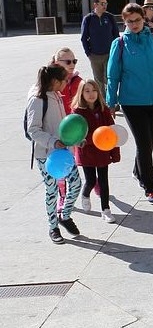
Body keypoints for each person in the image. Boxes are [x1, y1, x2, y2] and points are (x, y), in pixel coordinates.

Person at [106, 3, 153, 206]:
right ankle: (151, 188)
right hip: (132, 102)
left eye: (137, 20)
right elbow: (112, 75)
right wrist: (111, 101)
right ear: (124, 22)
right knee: (144, 144)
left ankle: (138, 170)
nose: (134, 24)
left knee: (149, 142)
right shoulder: (119, 44)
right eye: (129, 21)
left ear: (143, 18)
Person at [26, 64, 81, 244]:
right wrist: (52, 142)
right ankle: (53, 227)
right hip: (46, 155)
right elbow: (33, 130)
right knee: (51, 190)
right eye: (65, 80)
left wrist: (75, 139)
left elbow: (63, 127)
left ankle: (64, 216)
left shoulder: (57, 95)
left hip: (63, 152)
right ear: (55, 81)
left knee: (76, 185)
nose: (67, 83)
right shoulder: (37, 99)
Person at [72, 79, 120, 223]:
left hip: (102, 151)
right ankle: (85, 195)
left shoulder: (104, 110)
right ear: (81, 94)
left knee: (104, 181)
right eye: (87, 91)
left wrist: (115, 152)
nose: (91, 94)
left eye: (93, 90)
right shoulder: (78, 112)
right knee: (91, 180)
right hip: (87, 152)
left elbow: (113, 132)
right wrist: (84, 141)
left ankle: (106, 209)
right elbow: (76, 134)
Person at [51, 47, 83, 213]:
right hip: (56, 130)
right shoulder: (51, 82)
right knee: (61, 165)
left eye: (74, 61)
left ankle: (94, 183)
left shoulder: (78, 81)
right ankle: (62, 196)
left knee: (81, 160)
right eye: (68, 61)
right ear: (57, 63)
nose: (72, 64)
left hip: (74, 129)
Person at [80, 0, 119, 92]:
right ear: (95, 5)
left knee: (109, 77)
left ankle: (112, 101)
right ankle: (103, 102)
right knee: (98, 81)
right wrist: (88, 53)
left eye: (106, 3)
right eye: (102, 3)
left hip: (109, 54)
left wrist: (116, 51)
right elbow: (84, 37)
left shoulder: (110, 17)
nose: (105, 5)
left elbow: (116, 35)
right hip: (94, 55)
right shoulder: (88, 19)